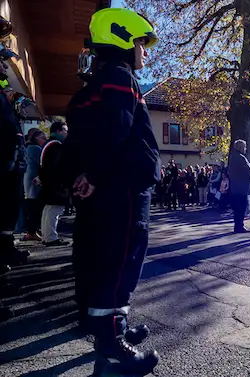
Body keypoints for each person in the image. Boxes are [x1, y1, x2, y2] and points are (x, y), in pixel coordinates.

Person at [62, 8, 160, 375]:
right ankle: (111, 344)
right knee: (121, 263)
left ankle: (107, 327)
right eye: (140, 43)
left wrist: (81, 177)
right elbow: (117, 132)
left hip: (104, 189)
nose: (144, 52)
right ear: (121, 39)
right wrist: (98, 175)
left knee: (99, 261)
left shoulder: (91, 86)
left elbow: (78, 142)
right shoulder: (120, 78)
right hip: (123, 189)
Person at [0, 84, 29, 273]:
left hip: (12, 162)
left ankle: (6, 250)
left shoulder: (6, 103)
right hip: (4, 162)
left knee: (9, 211)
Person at [39, 121, 70, 247]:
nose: (66, 133)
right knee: (54, 210)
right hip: (56, 184)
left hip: (48, 182)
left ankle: (47, 236)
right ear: (58, 131)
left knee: (48, 210)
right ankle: (51, 237)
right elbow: (58, 167)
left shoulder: (48, 144)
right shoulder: (56, 146)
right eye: (65, 130)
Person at [22, 129, 47, 241]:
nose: (45, 140)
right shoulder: (36, 149)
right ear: (37, 138)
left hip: (28, 178)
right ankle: (32, 231)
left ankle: (32, 231)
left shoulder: (28, 147)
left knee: (31, 205)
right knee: (35, 207)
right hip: (34, 180)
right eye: (43, 137)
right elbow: (42, 163)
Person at [228, 140, 250, 233]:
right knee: (242, 207)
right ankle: (240, 226)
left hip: (234, 187)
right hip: (242, 187)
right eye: (244, 147)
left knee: (237, 208)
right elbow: (248, 171)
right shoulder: (241, 158)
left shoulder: (232, 157)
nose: (245, 149)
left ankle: (237, 226)